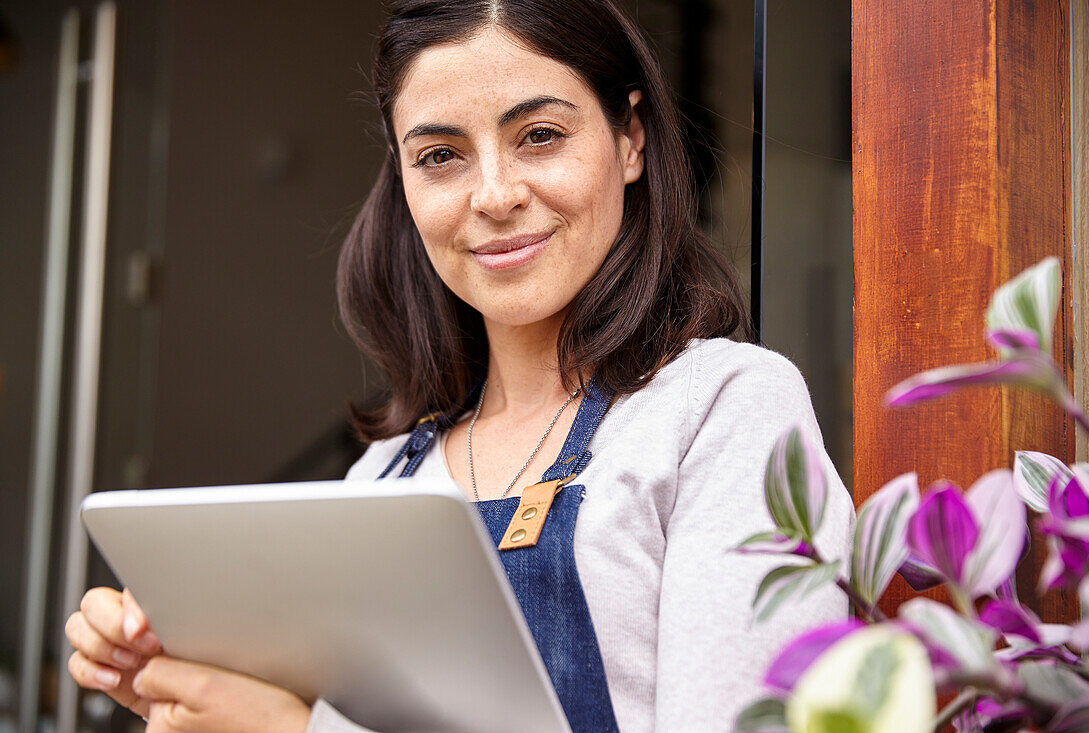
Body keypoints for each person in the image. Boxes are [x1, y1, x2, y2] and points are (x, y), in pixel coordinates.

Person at [65, 0, 855, 730]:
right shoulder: (381, 478)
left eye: (540, 135)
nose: (494, 193)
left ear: (630, 140)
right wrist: (186, 687)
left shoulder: (722, 409)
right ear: (404, 181)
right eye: (441, 154)